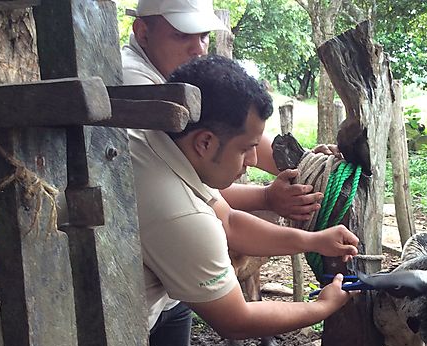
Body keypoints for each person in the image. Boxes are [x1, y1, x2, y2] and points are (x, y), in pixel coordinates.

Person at [131, 54, 358, 346]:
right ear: (205, 142)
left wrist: (313, 241)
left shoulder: (157, 140)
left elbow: (232, 222)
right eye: (246, 149)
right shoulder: (182, 216)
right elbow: (236, 319)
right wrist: (322, 307)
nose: (253, 161)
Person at [122, 0, 335, 221]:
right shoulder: (136, 83)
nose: (198, 50)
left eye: (203, 36)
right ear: (143, 33)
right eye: (182, 36)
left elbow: (238, 131)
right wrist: (265, 197)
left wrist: (308, 165)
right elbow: (192, 181)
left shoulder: (169, 73)